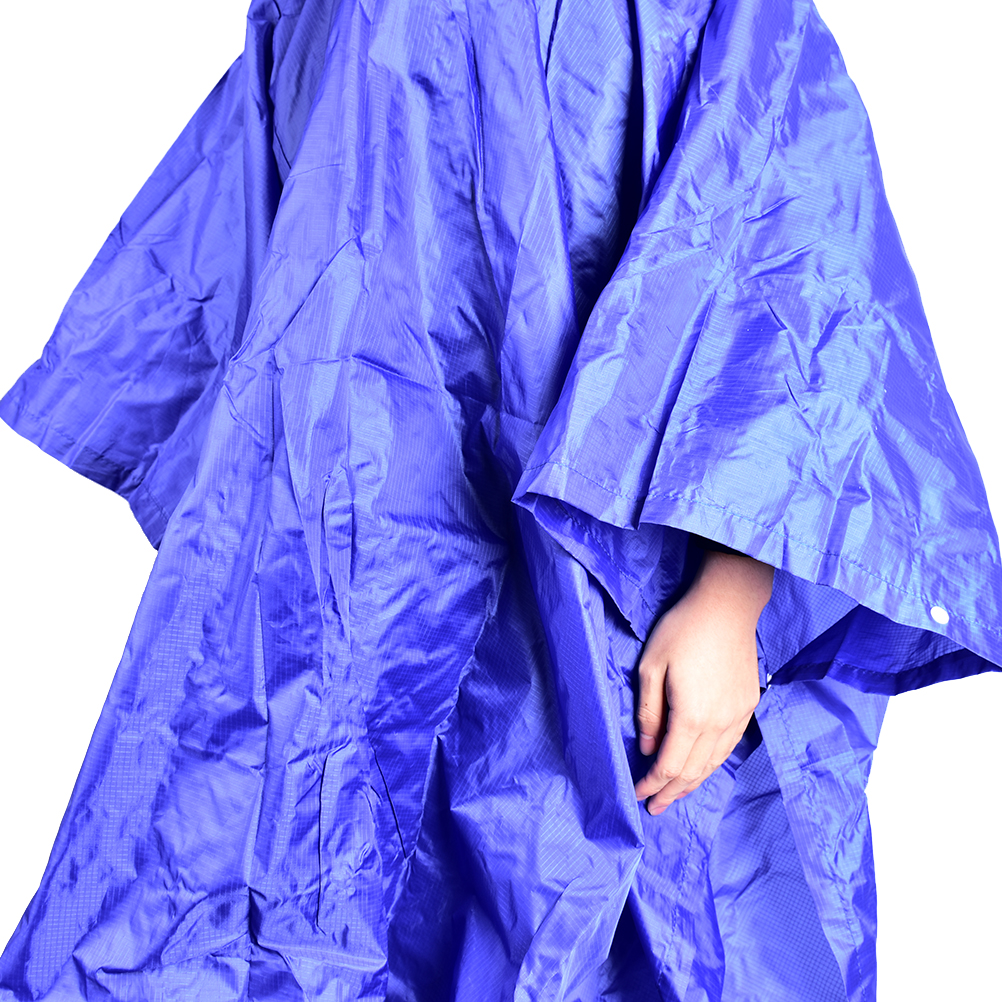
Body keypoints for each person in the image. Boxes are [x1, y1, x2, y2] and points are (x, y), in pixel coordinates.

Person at [0, 0, 999, 999]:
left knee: (588, 924)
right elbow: (258, 257)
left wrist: (730, 597)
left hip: (603, 606)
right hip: (341, 582)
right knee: (270, 906)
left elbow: (790, 245)